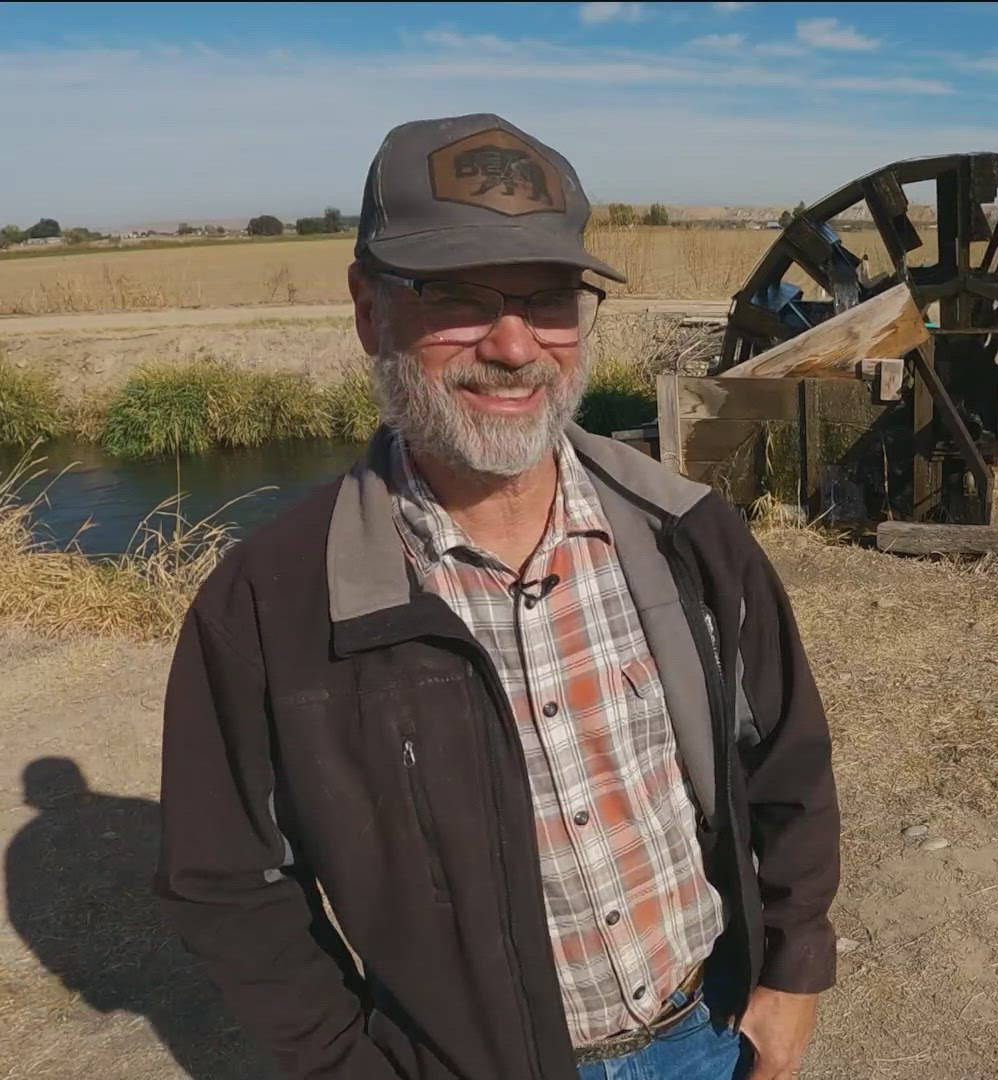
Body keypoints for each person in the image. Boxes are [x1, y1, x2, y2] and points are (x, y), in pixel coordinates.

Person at [156, 113, 840, 1080]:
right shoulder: (267, 605)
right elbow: (227, 882)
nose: (516, 346)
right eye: (458, 296)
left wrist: (795, 966)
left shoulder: (687, 532)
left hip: (711, 1029)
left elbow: (786, 761)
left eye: (552, 298)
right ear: (368, 309)